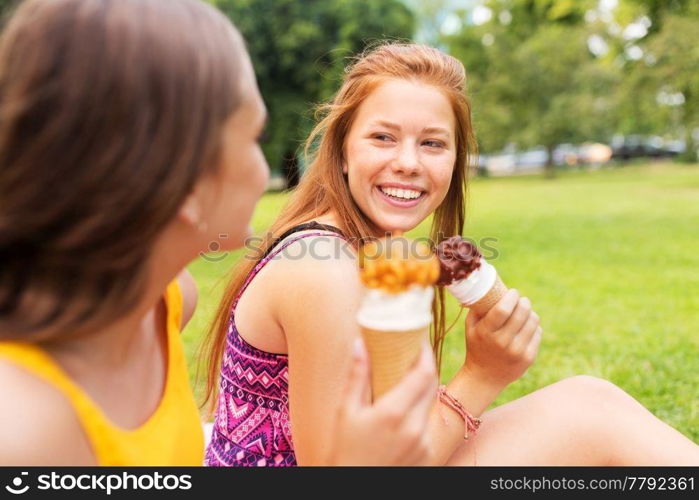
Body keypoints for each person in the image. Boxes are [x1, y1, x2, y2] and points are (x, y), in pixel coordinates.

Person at [203, 42, 699, 466]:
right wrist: (483, 375)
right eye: (383, 137)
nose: (408, 163)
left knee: (592, 404)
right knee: (594, 416)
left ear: (456, 160)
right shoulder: (324, 269)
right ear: (342, 148)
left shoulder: (371, 256)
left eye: (433, 143)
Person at [0, 0, 436, 466]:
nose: (260, 169)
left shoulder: (163, 303)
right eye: (253, 139)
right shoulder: (26, 430)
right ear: (184, 181)